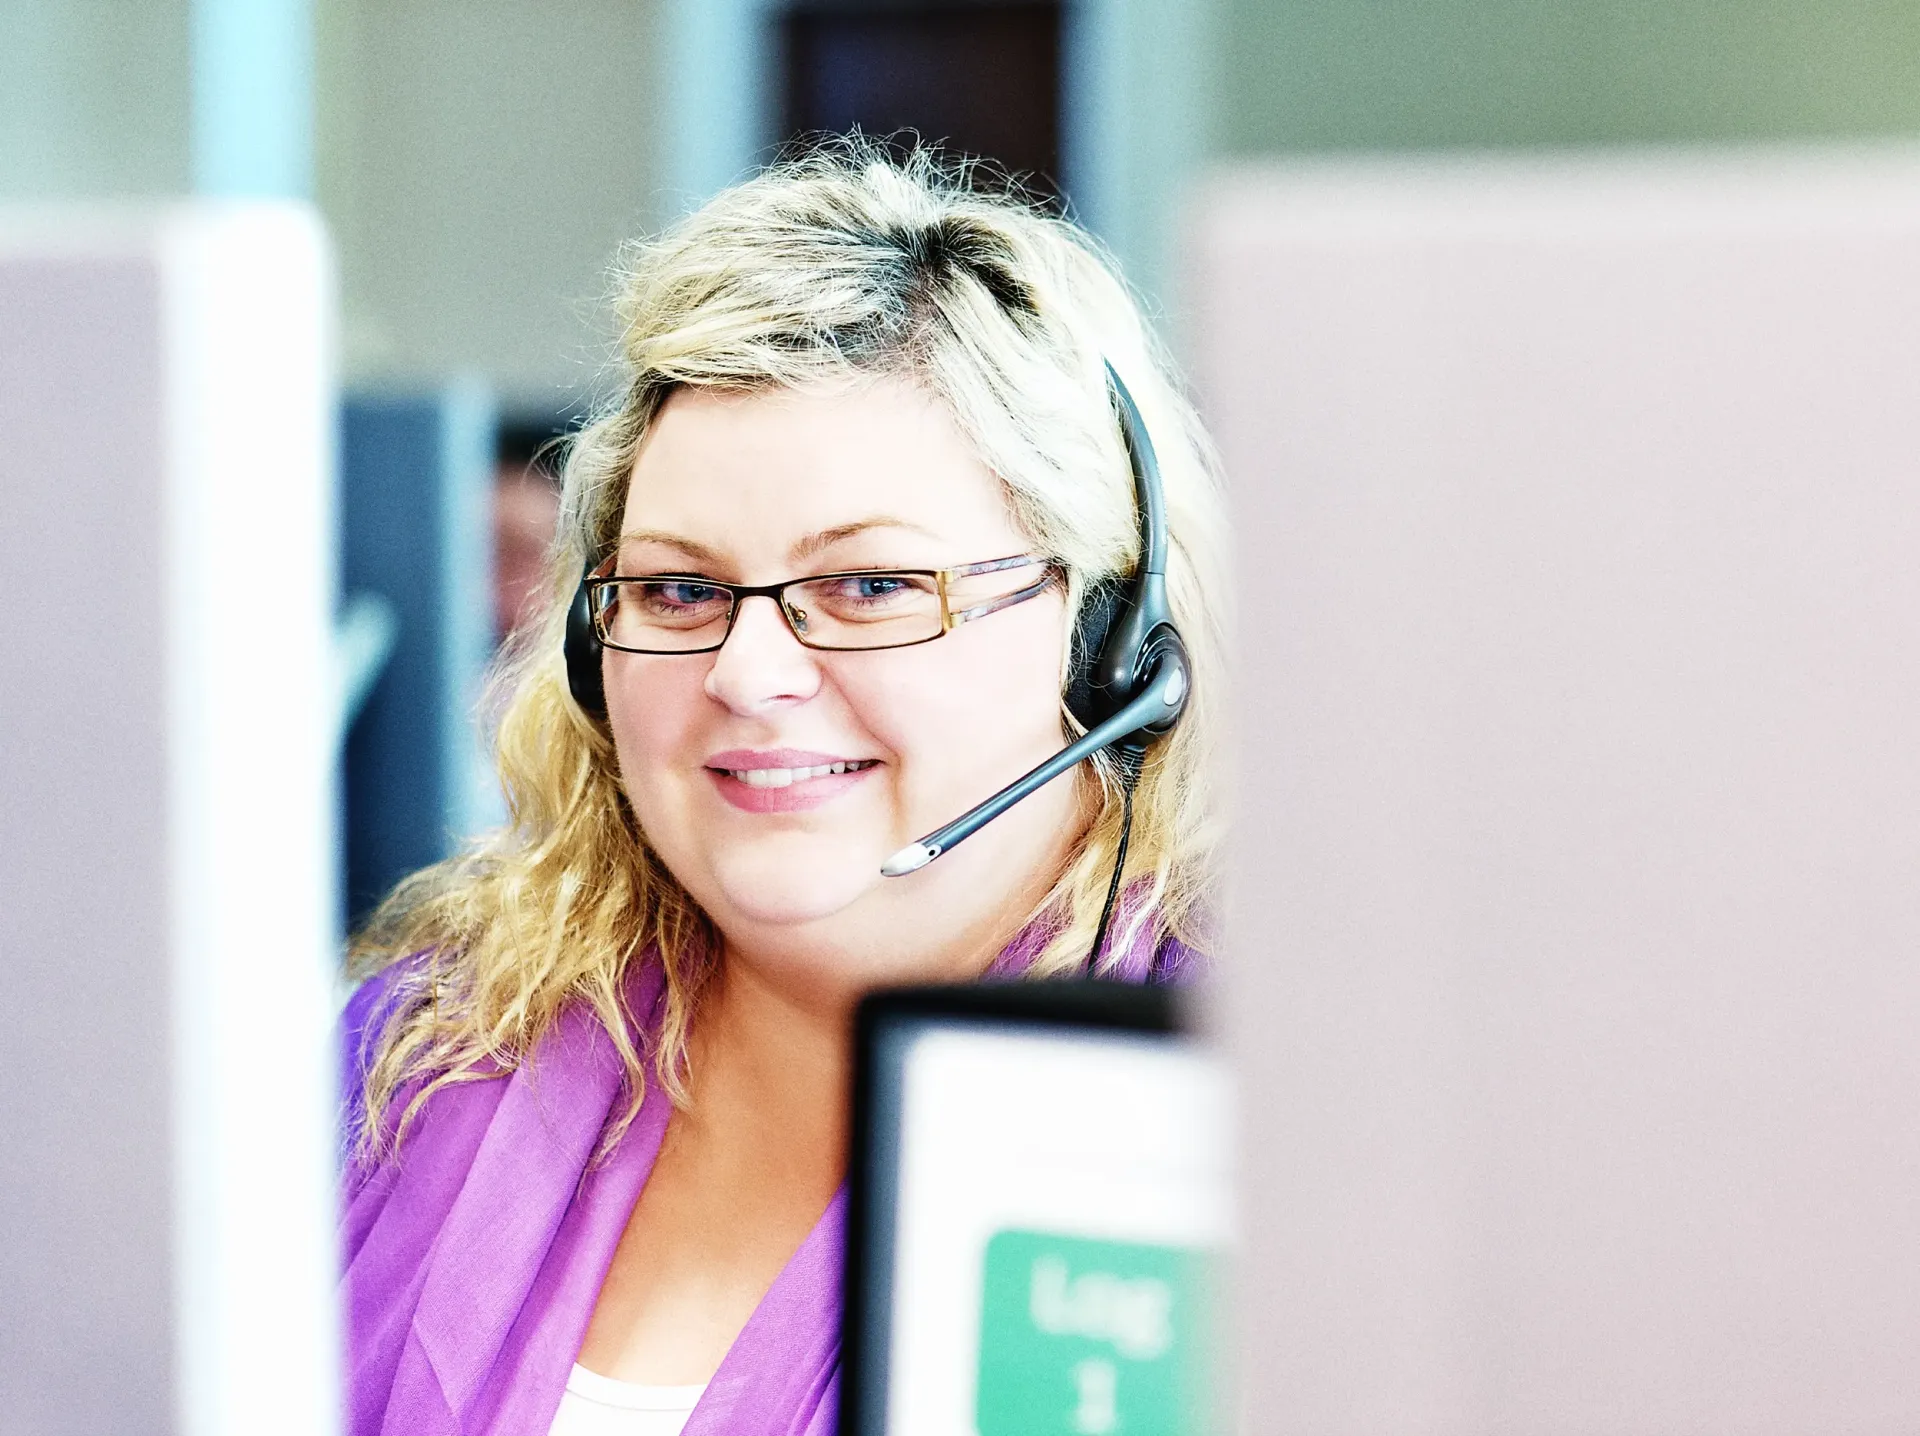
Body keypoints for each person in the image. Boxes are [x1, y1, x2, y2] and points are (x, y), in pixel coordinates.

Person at [339, 144, 1228, 1436]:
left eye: (869, 586)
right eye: (680, 591)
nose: (748, 674)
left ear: (1108, 649)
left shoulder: (1243, 1162)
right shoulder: (411, 1062)